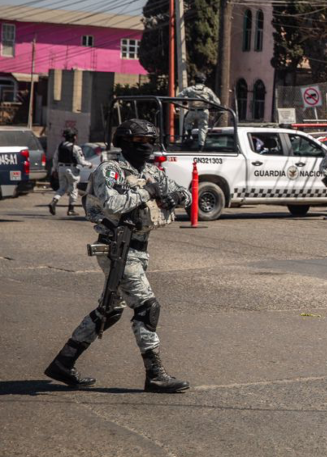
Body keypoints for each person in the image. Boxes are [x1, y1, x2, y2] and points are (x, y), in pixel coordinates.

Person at [44, 118, 191, 393]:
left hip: (139, 249)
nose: (146, 147)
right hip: (117, 246)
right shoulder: (109, 170)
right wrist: (146, 192)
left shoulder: (152, 171)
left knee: (110, 311)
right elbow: (111, 204)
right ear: (123, 143)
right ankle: (155, 374)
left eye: (150, 141)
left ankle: (63, 362)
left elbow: (185, 193)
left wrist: (177, 198)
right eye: (138, 142)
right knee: (148, 307)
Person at [49, 127, 91, 217]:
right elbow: (81, 162)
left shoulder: (60, 146)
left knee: (62, 188)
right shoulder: (76, 148)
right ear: (74, 137)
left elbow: (55, 158)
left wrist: (54, 170)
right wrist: (89, 164)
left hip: (61, 169)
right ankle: (71, 209)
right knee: (74, 189)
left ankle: (54, 201)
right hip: (71, 170)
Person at [177, 72, 221, 148]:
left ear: (195, 80)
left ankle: (189, 135)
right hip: (203, 112)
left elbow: (178, 96)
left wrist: (185, 100)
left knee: (187, 122)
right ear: (204, 81)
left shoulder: (189, 89)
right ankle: (201, 146)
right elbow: (217, 102)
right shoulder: (207, 90)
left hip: (192, 111)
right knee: (203, 128)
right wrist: (210, 103)